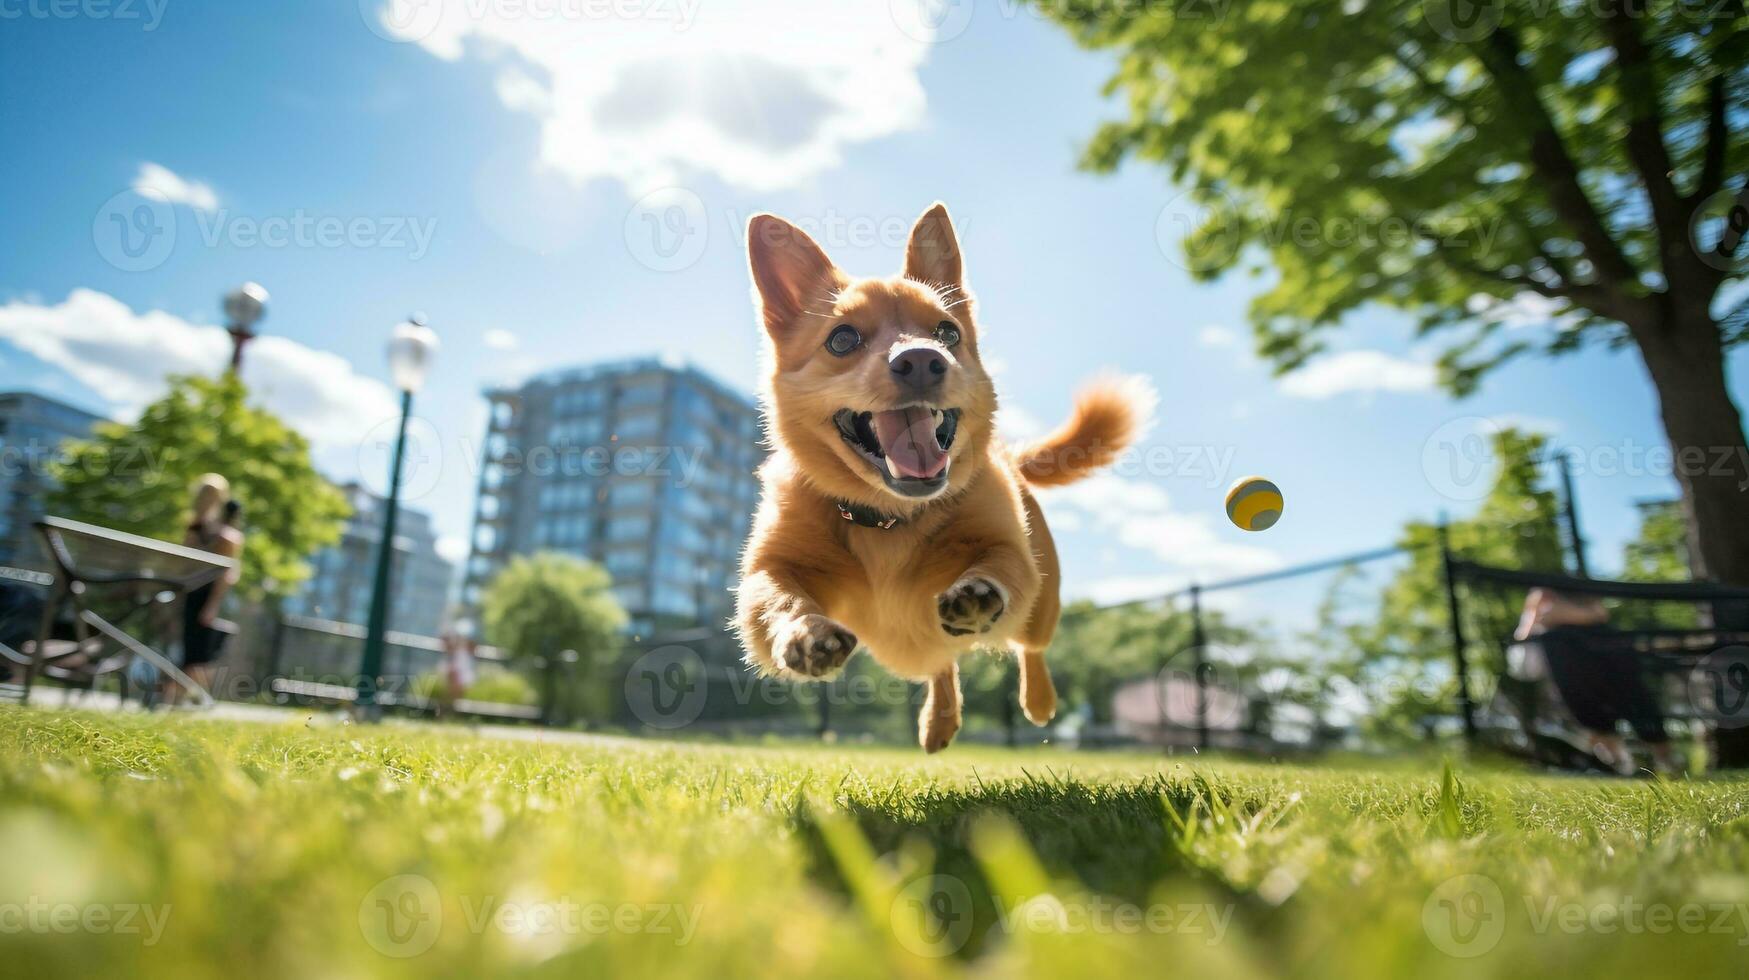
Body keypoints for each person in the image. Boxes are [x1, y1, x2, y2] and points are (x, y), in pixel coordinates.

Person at [1514, 587, 1678, 775]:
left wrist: (1554, 612)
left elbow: (1596, 615)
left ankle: (1662, 762)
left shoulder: (1585, 611)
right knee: (1593, 716)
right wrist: (1534, 610)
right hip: (1577, 679)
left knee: (1639, 708)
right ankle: (1621, 764)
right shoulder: (1547, 625)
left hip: (1611, 670)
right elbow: (1523, 645)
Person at [164, 474, 244, 703]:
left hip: (210, 596)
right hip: (188, 591)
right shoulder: (194, 526)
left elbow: (227, 574)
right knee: (185, 649)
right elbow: (183, 561)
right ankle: (182, 698)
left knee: (201, 653)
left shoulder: (227, 534)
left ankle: (192, 698)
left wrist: (212, 606)